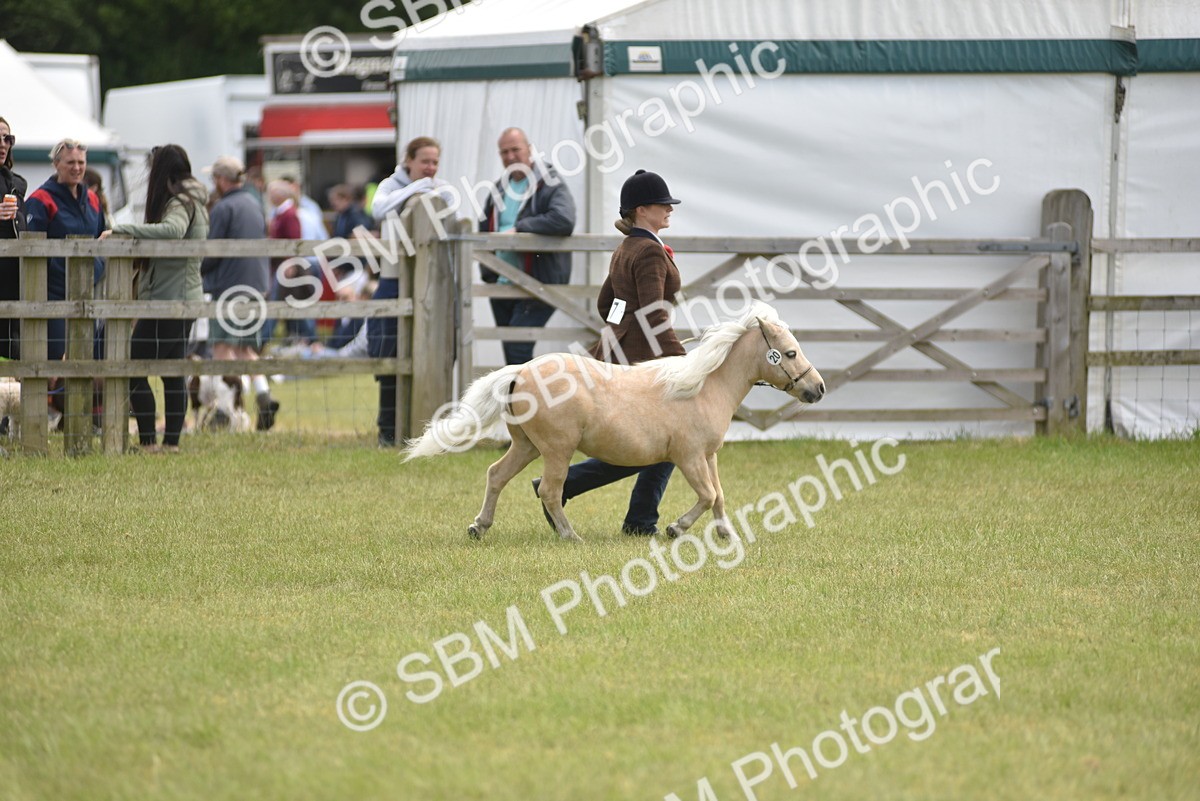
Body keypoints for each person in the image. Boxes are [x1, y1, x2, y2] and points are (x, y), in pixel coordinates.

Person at [532, 169, 685, 536]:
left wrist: (620, 326)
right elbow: (653, 312)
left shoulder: (627, 247)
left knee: (652, 443)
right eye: (663, 205)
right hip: (643, 359)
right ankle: (637, 519)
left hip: (616, 348)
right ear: (641, 210)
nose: (669, 210)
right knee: (663, 442)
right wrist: (681, 357)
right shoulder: (648, 250)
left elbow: (606, 304)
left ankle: (605, 501)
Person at [100, 145, 209, 453]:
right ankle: (170, 444)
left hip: (168, 301)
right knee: (173, 373)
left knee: (134, 366)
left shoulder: (179, 203)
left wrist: (120, 229)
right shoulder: (197, 201)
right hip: (183, 299)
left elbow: (172, 231)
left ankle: (149, 441)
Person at [368, 136, 457, 446]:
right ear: (409, 161)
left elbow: (453, 211)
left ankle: (427, 430)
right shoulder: (390, 186)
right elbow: (378, 210)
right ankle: (387, 431)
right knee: (389, 352)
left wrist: (428, 190)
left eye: (434, 162)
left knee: (434, 353)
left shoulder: (440, 187)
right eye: (425, 162)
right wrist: (415, 189)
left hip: (432, 283)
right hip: (393, 279)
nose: (430, 168)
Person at [479, 127, 576, 365]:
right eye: (504, 152)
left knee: (518, 347)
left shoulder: (549, 181)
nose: (510, 156)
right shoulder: (498, 188)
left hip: (538, 282)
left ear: (529, 150)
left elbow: (564, 219)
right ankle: (517, 400)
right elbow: (483, 228)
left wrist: (521, 228)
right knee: (512, 351)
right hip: (501, 281)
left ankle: (525, 399)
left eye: (515, 150)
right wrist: (487, 268)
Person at [201, 155, 279, 430]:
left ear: (222, 179)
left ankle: (223, 409)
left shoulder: (224, 208)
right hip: (256, 284)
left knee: (222, 347)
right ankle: (263, 395)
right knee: (246, 347)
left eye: (214, 178)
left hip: (229, 285)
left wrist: (197, 268)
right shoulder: (255, 203)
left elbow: (213, 252)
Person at [25, 139, 106, 362]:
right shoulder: (40, 201)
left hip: (89, 292)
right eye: (70, 162)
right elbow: (31, 249)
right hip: (52, 296)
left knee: (87, 359)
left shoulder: (92, 199)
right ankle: (48, 397)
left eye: (81, 162)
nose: (77, 168)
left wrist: (100, 265)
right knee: (55, 360)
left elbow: (102, 234)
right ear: (56, 164)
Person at [262, 179, 316, 344]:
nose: (269, 196)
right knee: (294, 303)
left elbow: (294, 239)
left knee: (277, 302)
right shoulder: (281, 212)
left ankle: (263, 340)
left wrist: (291, 262)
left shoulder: (289, 214)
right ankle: (308, 338)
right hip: (283, 266)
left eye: (271, 193)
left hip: (287, 267)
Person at [0, 116, 28, 363]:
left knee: (12, 345)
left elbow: (25, 223)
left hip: (11, 274)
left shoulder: (17, 183)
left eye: (7, 138)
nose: (2, 144)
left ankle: (11, 402)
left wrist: (16, 216)